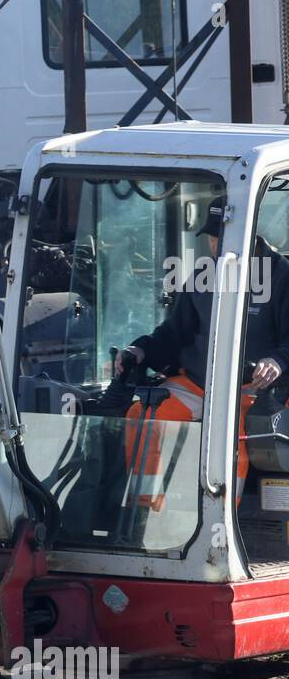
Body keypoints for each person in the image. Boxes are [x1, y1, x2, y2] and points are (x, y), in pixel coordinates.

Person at [115, 200, 289, 506]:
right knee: (145, 414)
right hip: (200, 383)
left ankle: (222, 523)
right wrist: (141, 349)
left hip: (255, 389)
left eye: (220, 236)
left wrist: (278, 360)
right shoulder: (202, 275)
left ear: (249, 232)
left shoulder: (282, 276)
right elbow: (174, 332)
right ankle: (145, 513)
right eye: (210, 236)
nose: (213, 243)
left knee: (229, 435)